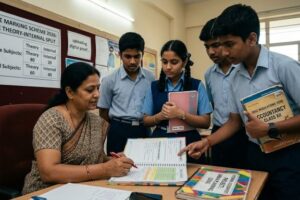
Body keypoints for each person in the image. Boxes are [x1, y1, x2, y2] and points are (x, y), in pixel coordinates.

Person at [179, 4, 300, 200]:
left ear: (251, 39)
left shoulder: (284, 67)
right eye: (221, 45)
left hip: (287, 154)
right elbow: (235, 121)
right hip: (254, 154)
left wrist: (269, 128)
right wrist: (207, 141)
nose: (224, 52)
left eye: (229, 44)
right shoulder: (235, 76)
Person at [22, 62, 134, 194]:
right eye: (90, 90)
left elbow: (94, 157)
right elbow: (49, 172)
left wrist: (114, 161)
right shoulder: (52, 120)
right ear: (70, 92)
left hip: (83, 189)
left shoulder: (95, 121)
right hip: (46, 191)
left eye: (98, 88)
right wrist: (105, 169)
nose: (97, 94)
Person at [143, 40, 212, 163]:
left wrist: (181, 114)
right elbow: (145, 120)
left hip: (189, 143)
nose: (168, 67)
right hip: (160, 141)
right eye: (164, 62)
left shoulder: (197, 85)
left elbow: (206, 122)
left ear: (184, 62)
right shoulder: (153, 87)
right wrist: (160, 116)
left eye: (174, 62)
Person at [200, 18, 248, 168]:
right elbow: (213, 103)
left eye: (215, 45)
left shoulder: (244, 69)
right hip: (218, 134)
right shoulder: (209, 74)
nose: (210, 52)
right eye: (206, 47)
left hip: (244, 135)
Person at [98, 32, 155, 153]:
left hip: (144, 130)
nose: (133, 61)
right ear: (120, 55)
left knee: (146, 168)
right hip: (118, 132)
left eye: (137, 56)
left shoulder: (151, 78)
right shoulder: (109, 80)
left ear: (142, 54)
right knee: (118, 170)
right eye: (128, 56)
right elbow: (103, 112)